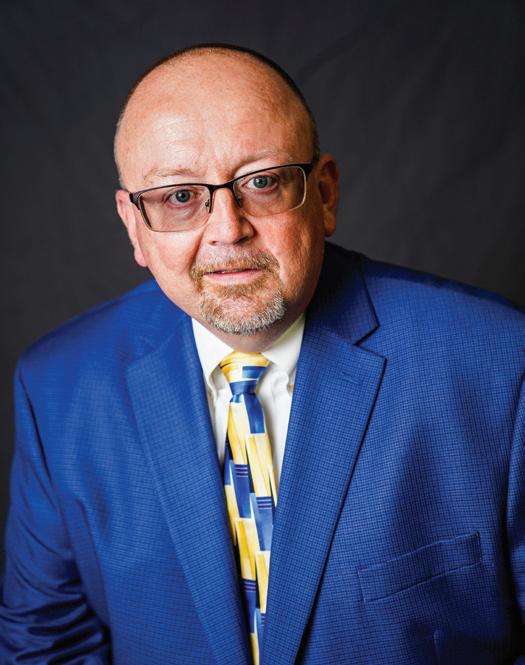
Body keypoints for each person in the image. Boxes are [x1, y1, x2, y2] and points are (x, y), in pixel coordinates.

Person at [1, 42, 524, 665]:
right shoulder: (57, 389)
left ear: (324, 194)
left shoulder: (501, 367)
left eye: (263, 182)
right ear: (134, 225)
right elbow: (46, 646)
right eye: (179, 197)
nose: (228, 229)